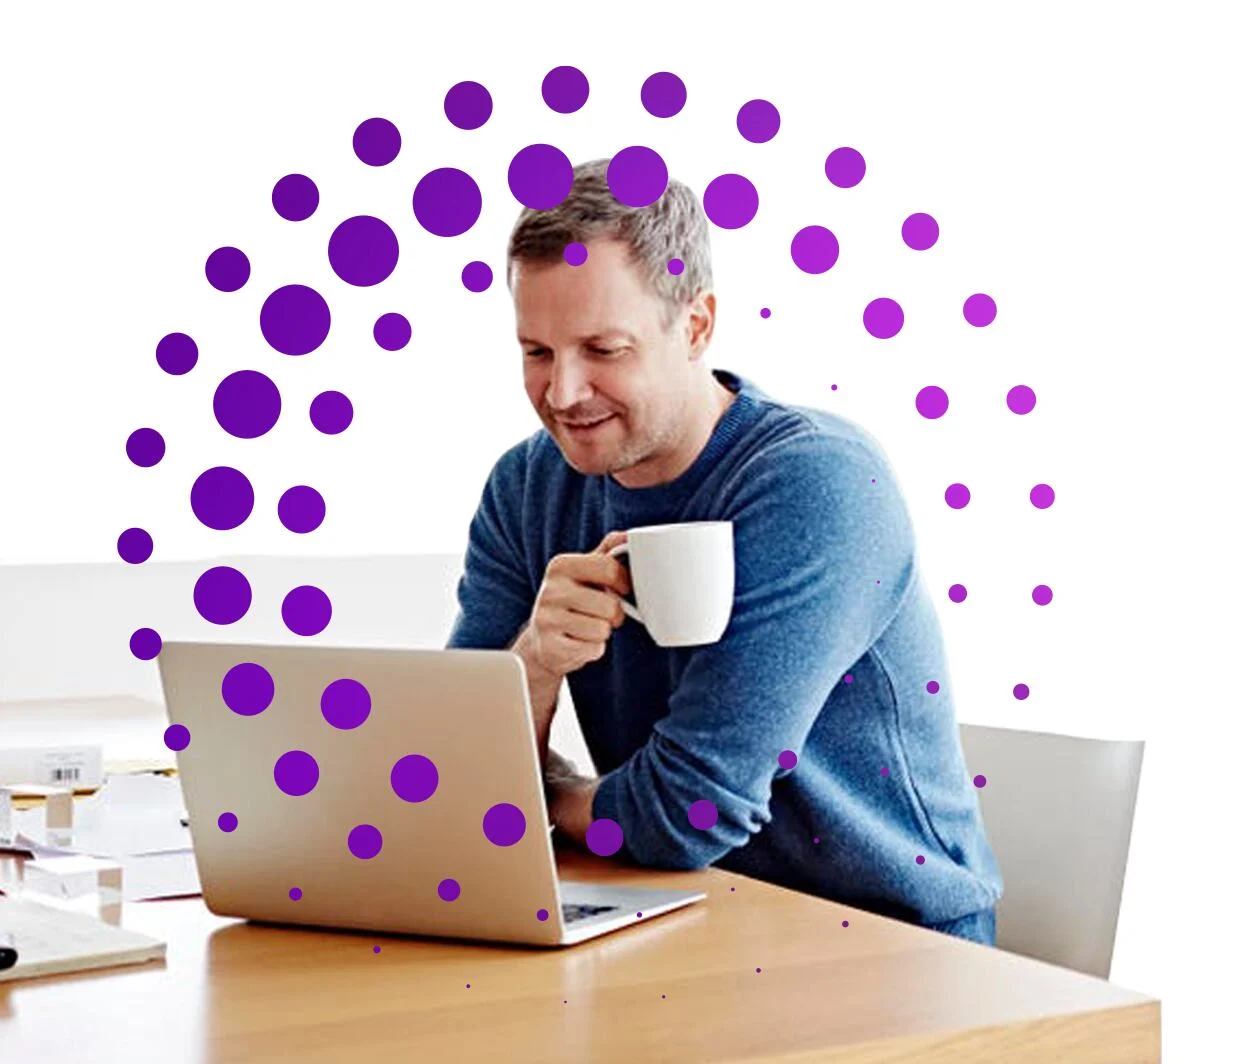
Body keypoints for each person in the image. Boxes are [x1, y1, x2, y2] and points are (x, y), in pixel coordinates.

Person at [446, 158, 1003, 944]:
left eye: (603, 349)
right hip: (687, 916)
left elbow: (688, 812)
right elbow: (451, 786)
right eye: (537, 352)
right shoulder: (529, 487)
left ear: (696, 325)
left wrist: (557, 797)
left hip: (891, 943)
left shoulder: (818, 484)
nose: (563, 394)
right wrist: (534, 662)